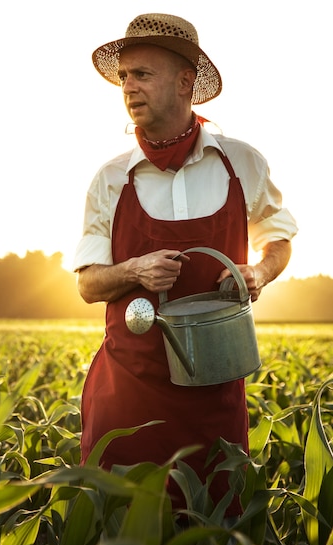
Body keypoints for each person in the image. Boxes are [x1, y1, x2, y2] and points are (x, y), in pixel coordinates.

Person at [73, 13, 298, 518]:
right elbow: (89, 285)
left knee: (214, 541)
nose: (128, 86)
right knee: (123, 543)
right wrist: (134, 270)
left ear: (184, 82)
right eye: (124, 76)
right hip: (130, 392)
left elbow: (279, 238)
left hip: (213, 395)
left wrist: (257, 273)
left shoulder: (242, 162)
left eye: (142, 74)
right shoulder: (110, 178)